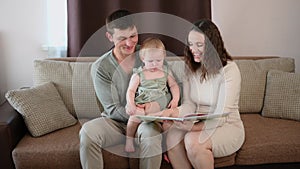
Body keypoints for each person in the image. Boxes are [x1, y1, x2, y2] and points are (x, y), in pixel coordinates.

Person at [79, 9, 164, 169]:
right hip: (115, 123)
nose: (129, 43)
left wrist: (154, 108)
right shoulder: (100, 67)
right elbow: (111, 109)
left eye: (133, 36)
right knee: (88, 133)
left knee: (151, 137)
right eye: (122, 38)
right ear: (110, 37)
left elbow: (166, 91)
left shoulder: (150, 54)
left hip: (147, 121)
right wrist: (137, 113)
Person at [156, 19, 245, 169]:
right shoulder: (191, 67)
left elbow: (222, 114)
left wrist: (192, 128)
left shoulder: (229, 70)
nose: (193, 49)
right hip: (198, 121)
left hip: (226, 124)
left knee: (193, 141)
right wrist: (173, 113)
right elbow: (190, 104)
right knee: (171, 135)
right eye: (190, 44)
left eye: (199, 45)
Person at [125, 37, 180, 153]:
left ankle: (166, 147)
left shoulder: (166, 71)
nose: (155, 64)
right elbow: (130, 91)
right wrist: (131, 105)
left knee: (169, 123)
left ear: (164, 56)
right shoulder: (139, 74)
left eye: (158, 60)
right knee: (133, 118)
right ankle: (129, 140)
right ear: (143, 58)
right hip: (142, 107)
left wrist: (175, 100)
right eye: (150, 61)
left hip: (160, 109)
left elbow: (174, 86)